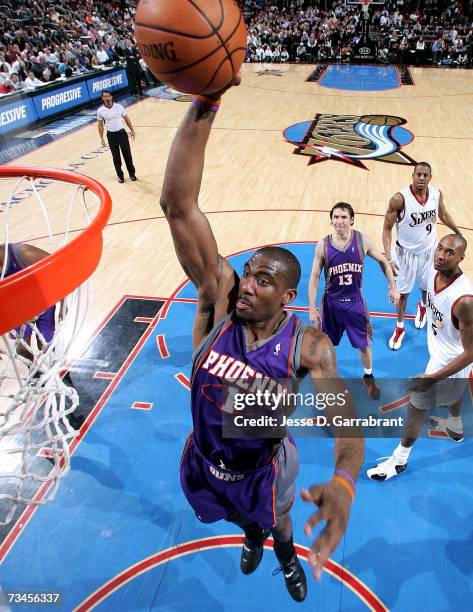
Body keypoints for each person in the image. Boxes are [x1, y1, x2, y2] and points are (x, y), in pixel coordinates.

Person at [160, 77, 364, 602]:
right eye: (248, 272)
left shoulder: (309, 345)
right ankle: (250, 536)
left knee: (279, 523)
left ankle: (287, 560)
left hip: (262, 469)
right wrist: (205, 100)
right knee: (238, 521)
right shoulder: (219, 303)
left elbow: (346, 420)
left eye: (264, 280)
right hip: (204, 461)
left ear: (289, 296)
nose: (247, 283)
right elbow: (178, 205)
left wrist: (343, 483)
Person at [367, 235, 473, 480]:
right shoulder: (436, 274)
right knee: (453, 395)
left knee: (416, 405)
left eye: (449, 253)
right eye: (440, 249)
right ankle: (455, 427)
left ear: (461, 259)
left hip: (450, 362)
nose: (441, 255)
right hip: (442, 353)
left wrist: (432, 377)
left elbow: (470, 352)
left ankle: (399, 460)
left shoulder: (464, 300)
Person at [308, 203, 400, 399]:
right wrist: (312, 308)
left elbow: (384, 261)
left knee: (364, 344)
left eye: (344, 217)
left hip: (355, 304)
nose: (339, 221)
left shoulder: (362, 241)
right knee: (326, 344)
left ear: (351, 220)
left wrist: (393, 287)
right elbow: (314, 278)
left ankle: (368, 375)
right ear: (331, 220)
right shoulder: (323, 245)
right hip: (331, 305)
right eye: (336, 217)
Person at [383, 162, 461, 350]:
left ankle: (423, 307)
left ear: (430, 178)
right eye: (418, 174)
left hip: (429, 250)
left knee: (427, 288)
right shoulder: (399, 199)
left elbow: (443, 214)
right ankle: (400, 327)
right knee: (403, 294)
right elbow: (386, 229)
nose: (421, 178)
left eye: (425, 175)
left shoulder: (436, 194)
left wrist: (457, 231)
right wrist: (389, 258)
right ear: (413, 175)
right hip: (405, 254)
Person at [97, 90, 137, 184]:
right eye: (105, 97)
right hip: (111, 135)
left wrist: (132, 130)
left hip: (122, 134)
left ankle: (132, 174)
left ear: (111, 97)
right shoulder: (100, 111)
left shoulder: (119, 107)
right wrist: (102, 138)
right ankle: (120, 176)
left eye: (108, 96)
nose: (107, 98)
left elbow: (126, 118)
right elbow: (100, 125)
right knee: (116, 158)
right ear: (102, 98)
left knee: (127, 155)